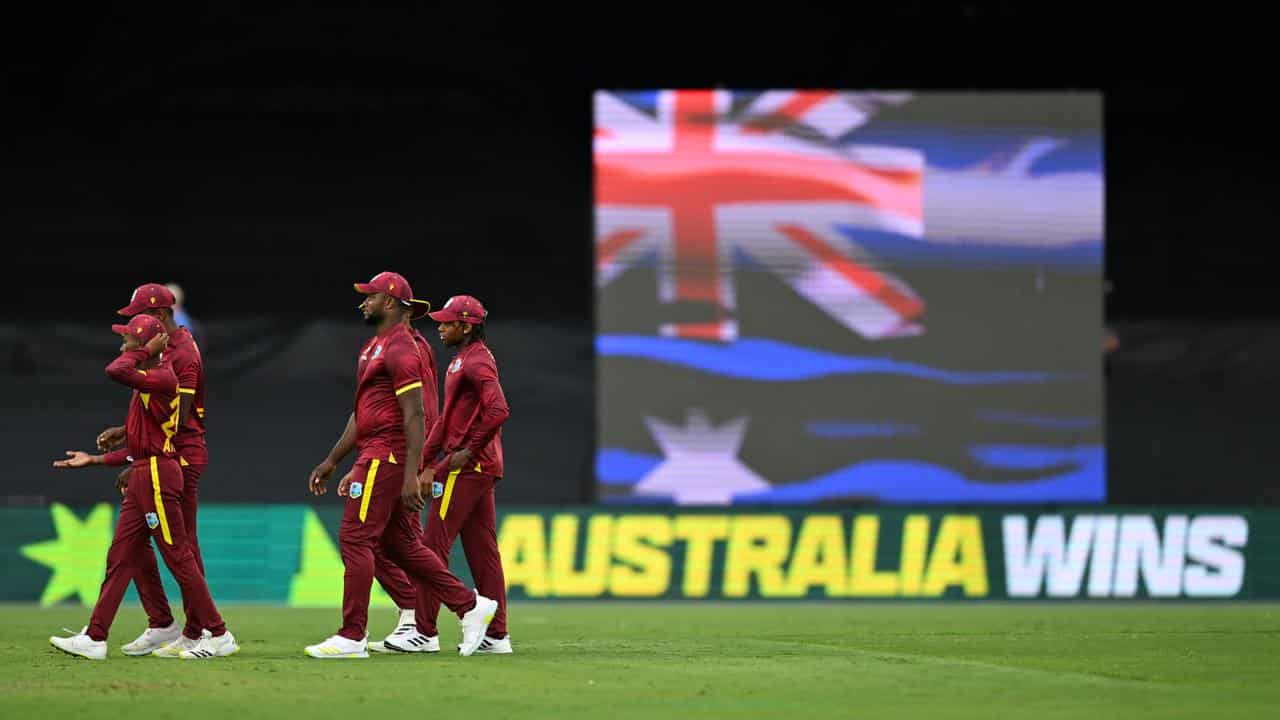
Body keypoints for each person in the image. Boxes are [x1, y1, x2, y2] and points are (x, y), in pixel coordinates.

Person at [305, 271, 497, 659]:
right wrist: (332, 459)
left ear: (390, 302)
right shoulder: (373, 348)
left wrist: (413, 472)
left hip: (388, 456)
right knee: (400, 544)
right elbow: (362, 413)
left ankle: (352, 636)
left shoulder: (404, 349)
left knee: (356, 539)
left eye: (370, 297)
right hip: (375, 453)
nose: (363, 303)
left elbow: (416, 415)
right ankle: (469, 605)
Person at [47, 314, 237, 660]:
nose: (123, 347)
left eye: (128, 341)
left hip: (157, 476)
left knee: (178, 556)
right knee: (121, 555)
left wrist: (145, 349)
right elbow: (139, 441)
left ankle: (219, 632)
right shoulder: (148, 381)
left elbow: (115, 370)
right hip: (144, 472)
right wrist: (93, 460)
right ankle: (95, 636)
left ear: (147, 346)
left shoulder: (162, 378)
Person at [95, 282, 213, 657]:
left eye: (138, 317)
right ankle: (161, 623)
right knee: (134, 545)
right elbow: (156, 410)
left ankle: (202, 631)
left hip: (177, 457)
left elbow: (176, 422)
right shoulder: (168, 347)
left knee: (183, 549)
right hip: (159, 456)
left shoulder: (183, 355)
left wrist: (140, 461)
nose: (134, 325)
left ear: (160, 317)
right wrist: (128, 437)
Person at [400, 294, 511, 654]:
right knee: (482, 552)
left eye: (448, 323)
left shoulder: (476, 361)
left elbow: (498, 410)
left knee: (432, 546)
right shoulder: (463, 360)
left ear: (467, 326)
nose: (441, 327)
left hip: (469, 468)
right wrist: (424, 460)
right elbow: (448, 419)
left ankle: (423, 631)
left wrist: (467, 452)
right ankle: (497, 636)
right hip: (480, 468)